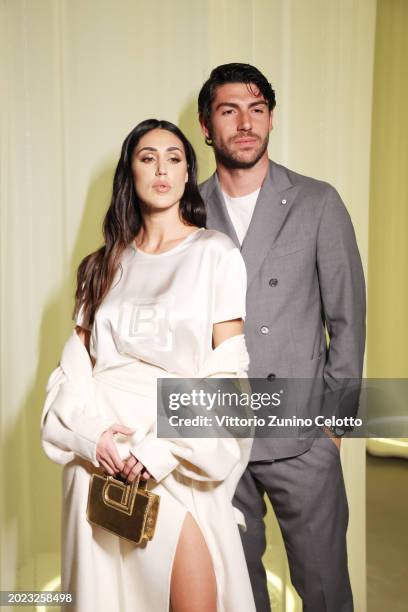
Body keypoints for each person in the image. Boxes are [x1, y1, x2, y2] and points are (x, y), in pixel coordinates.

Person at [40, 119, 257, 612]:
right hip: (100, 457)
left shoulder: (215, 254)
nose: (162, 168)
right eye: (147, 157)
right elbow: (74, 367)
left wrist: (161, 446)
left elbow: (228, 371)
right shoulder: (100, 265)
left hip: (176, 452)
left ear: (187, 175)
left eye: (174, 158)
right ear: (130, 174)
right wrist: (92, 438)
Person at [198, 63, 366, 612]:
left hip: (303, 438)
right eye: (229, 111)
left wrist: (333, 430)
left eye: (257, 110)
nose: (245, 123)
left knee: (323, 591)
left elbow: (347, 321)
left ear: (271, 119)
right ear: (206, 125)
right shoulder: (187, 211)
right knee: (235, 592)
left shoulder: (318, 202)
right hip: (217, 437)